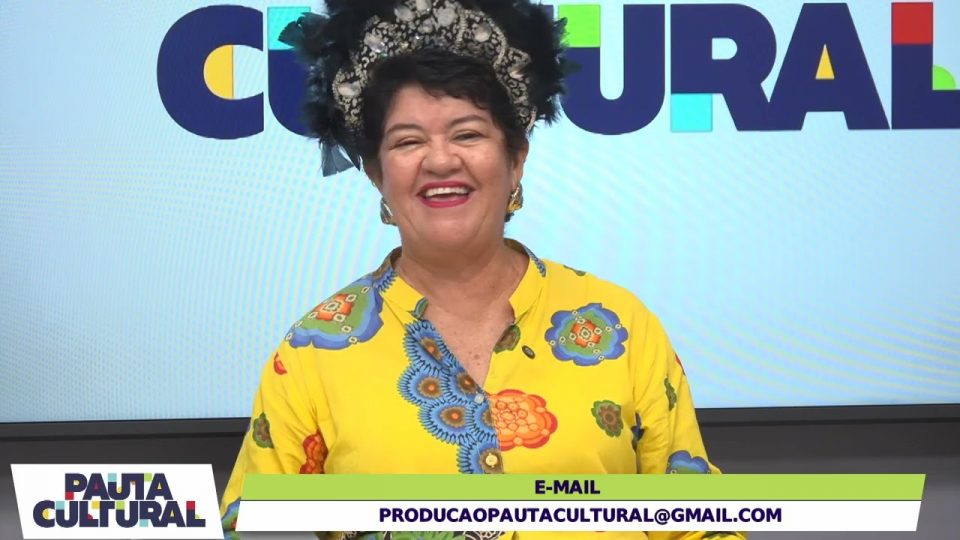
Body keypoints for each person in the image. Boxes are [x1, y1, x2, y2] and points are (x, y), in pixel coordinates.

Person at [220, 1, 744, 539]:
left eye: (467, 134)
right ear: (377, 173)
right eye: (408, 141)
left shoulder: (619, 325)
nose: (440, 161)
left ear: (515, 158)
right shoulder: (313, 352)